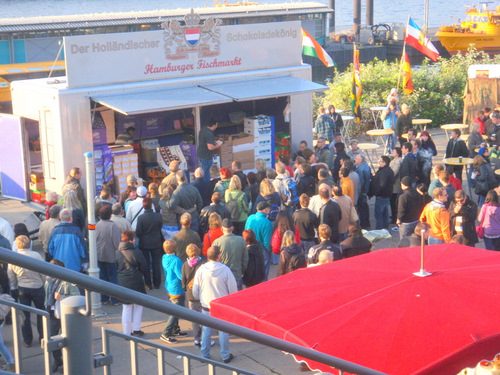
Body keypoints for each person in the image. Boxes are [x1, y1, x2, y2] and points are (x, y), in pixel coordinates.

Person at [192, 246, 237, 363]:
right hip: (221, 306)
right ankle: (225, 355)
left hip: (206, 305)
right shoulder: (226, 270)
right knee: (223, 331)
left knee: (206, 330)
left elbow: (195, 289)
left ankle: (204, 354)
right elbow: (233, 290)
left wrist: (200, 298)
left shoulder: (201, 270)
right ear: (219, 255)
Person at [8, 235, 45, 348]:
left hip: (22, 287)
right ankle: (42, 337)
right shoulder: (36, 256)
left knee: (25, 316)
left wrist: (15, 283)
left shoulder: (14, 257)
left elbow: (10, 274)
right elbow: (43, 271)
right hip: (37, 287)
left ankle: (27, 340)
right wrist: (43, 282)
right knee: (41, 313)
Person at [44, 259, 80, 373]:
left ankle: (68, 362)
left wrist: (62, 297)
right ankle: (58, 360)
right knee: (52, 337)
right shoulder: (48, 280)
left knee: (67, 338)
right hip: (52, 312)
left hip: (65, 313)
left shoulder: (68, 281)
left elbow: (77, 297)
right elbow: (46, 296)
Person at [116, 231, 148, 337]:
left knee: (126, 307)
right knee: (138, 305)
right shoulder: (137, 252)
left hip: (123, 281)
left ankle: (126, 331)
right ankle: (137, 329)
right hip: (136, 280)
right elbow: (144, 267)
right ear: (130, 240)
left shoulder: (118, 253)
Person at [160, 239, 188, 344]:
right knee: (175, 312)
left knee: (174, 309)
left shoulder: (164, 257)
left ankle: (176, 329)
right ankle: (166, 333)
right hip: (177, 288)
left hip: (169, 286)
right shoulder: (176, 260)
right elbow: (180, 275)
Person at [181, 244, 207, 347]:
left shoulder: (185, 265)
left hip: (190, 295)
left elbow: (183, 280)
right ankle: (205, 339)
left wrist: (186, 289)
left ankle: (197, 338)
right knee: (204, 319)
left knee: (194, 319)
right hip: (201, 295)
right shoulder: (203, 264)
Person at [136, 197, 164, 290]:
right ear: (151, 205)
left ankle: (148, 284)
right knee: (156, 263)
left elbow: (138, 232)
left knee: (146, 264)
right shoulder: (158, 216)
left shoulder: (141, 218)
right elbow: (160, 226)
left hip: (145, 243)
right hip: (156, 241)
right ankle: (157, 283)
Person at [95, 205, 121, 304]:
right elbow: (117, 243)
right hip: (110, 256)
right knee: (113, 278)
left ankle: (104, 298)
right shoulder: (113, 226)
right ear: (110, 215)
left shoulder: (97, 225)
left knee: (102, 278)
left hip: (99, 255)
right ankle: (114, 299)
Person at [212, 219, 248, 290]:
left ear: (222, 229)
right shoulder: (241, 240)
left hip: (222, 276)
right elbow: (245, 259)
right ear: (233, 228)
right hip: (236, 275)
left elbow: (213, 262)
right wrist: (242, 271)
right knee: (237, 299)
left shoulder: (216, 242)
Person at [48, 208, 87, 273]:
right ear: (71, 218)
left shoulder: (55, 231)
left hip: (58, 266)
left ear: (60, 218)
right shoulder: (76, 231)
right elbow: (82, 251)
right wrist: (85, 261)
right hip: (75, 267)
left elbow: (50, 250)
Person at [245, 202, 273, 279]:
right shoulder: (267, 223)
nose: (269, 210)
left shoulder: (250, 217)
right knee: (263, 271)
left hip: (249, 247)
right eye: (268, 208)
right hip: (262, 249)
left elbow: (245, 231)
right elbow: (267, 242)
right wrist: (269, 250)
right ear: (264, 210)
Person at [369, 156, 395, 230]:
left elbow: (381, 185)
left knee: (379, 214)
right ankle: (385, 228)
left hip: (381, 196)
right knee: (384, 213)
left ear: (384, 163)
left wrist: (376, 192)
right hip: (386, 195)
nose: (379, 162)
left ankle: (379, 229)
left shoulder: (384, 172)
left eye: (380, 161)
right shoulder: (389, 171)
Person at [355, 154, 371, 229]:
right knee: (365, 207)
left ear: (360, 160)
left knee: (362, 208)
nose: (355, 160)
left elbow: (360, 181)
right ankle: (366, 222)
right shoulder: (366, 166)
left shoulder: (360, 169)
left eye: (356, 159)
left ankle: (364, 224)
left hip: (362, 191)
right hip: (365, 190)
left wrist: (359, 191)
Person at [390, 147, 403, 224]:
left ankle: (395, 217)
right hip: (394, 184)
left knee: (394, 201)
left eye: (394, 151)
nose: (392, 152)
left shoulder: (398, 161)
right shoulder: (394, 160)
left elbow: (394, 172)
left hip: (395, 184)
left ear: (397, 153)